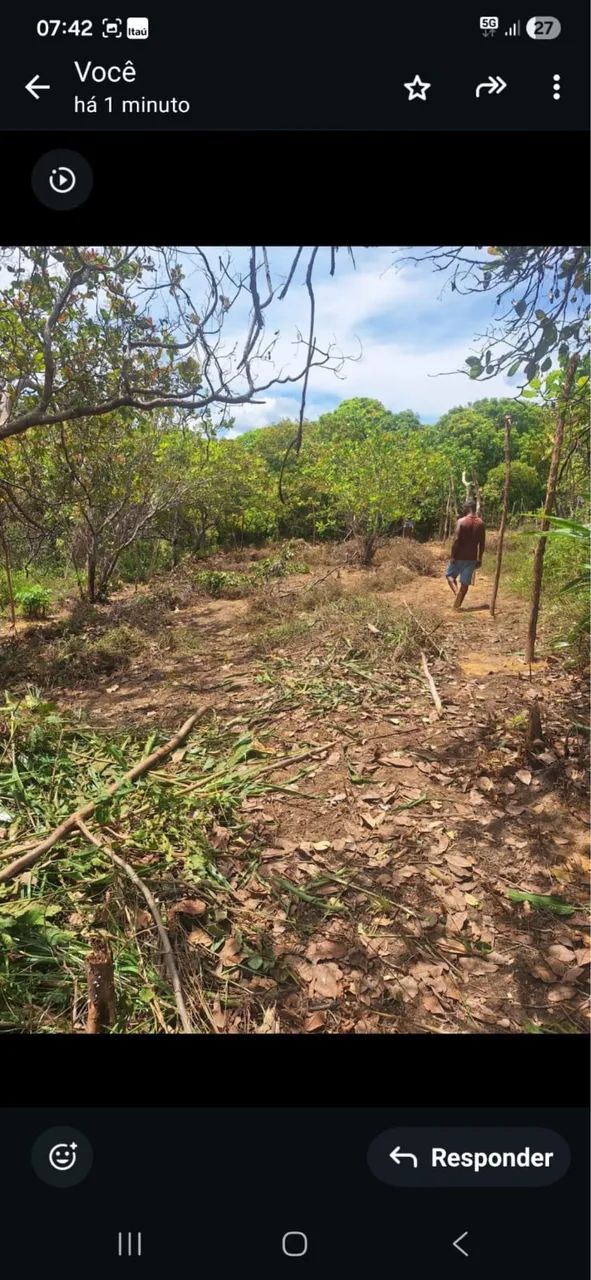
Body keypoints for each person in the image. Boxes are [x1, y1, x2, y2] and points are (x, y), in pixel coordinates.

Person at [445, 500, 485, 610]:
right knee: (465, 583)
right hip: (472, 558)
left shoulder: (461, 521)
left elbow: (456, 539)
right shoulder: (481, 523)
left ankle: (456, 592)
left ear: (466, 509)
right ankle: (457, 605)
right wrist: (479, 558)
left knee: (449, 576)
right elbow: (482, 544)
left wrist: (452, 555)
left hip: (459, 556)